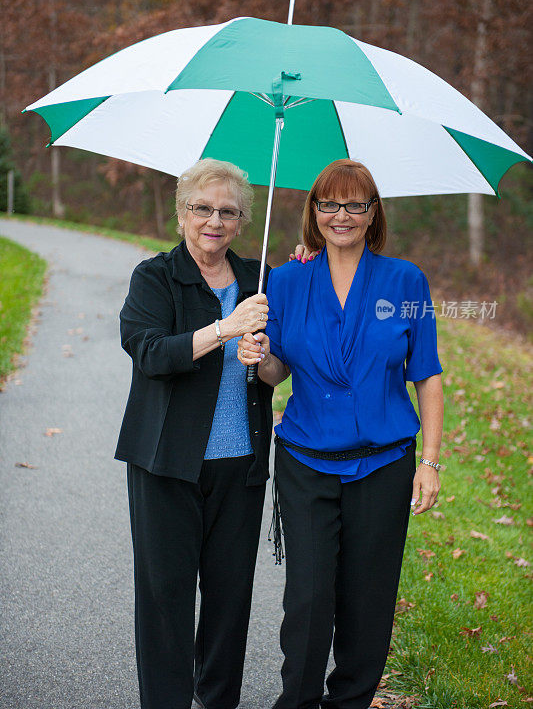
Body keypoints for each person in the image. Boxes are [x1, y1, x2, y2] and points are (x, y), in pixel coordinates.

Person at [238, 159, 444, 709]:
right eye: (329, 204)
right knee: (307, 597)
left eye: (356, 204)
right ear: (314, 212)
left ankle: (350, 700)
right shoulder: (284, 280)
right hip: (306, 460)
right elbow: (275, 372)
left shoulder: (405, 281)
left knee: (368, 598)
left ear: (373, 213)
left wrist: (430, 461)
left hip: (385, 462)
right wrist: (256, 354)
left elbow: (425, 374)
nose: (341, 216)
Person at [115, 158, 273, 709]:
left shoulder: (260, 281)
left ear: (242, 221)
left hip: (242, 464)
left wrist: (264, 353)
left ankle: (218, 699)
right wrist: (225, 329)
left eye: (228, 211)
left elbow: (278, 371)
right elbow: (150, 353)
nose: (214, 220)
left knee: (231, 600)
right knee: (166, 598)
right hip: (166, 463)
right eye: (202, 208)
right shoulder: (155, 277)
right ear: (181, 213)